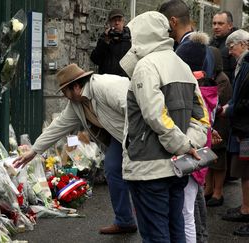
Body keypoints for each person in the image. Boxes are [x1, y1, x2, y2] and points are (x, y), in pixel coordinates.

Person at [13, 63, 137, 234]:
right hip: (121, 137)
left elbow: (134, 111)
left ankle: (147, 221)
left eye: (65, 92)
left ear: (77, 87)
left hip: (139, 133)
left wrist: (132, 144)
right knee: (113, 168)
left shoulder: (105, 86)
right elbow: (58, 126)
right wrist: (34, 151)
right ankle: (125, 221)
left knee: (139, 176)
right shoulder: (77, 104)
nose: (65, 97)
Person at [119, 11, 209, 242]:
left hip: (149, 166)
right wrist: (189, 144)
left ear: (141, 34)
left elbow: (154, 114)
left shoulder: (146, 66)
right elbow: (201, 116)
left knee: (156, 234)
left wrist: (179, 145)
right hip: (178, 165)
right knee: (175, 227)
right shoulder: (182, 65)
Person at [159, 2, 213, 242]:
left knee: (186, 209)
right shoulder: (196, 46)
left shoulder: (187, 49)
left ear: (171, 22)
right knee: (193, 199)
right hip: (198, 125)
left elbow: (185, 95)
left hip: (190, 129)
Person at [219, 29, 249, 237]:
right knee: (245, 169)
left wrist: (231, 109)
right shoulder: (243, 64)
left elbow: (245, 100)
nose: (230, 52)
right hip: (243, 127)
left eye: (232, 47)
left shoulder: (247, 65)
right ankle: (246, 208)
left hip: (246, 126)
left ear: (244, 44)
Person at [204, 46, 233, 207]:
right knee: (208, 159)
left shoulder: (222, 79)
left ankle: (218, 192)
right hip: (211, 124)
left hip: (220, 125)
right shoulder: (210, 77)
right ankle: (208, 189)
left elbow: (216, 101)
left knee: (219, 160)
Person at [90, 9, 131, 76]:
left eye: (119, 20)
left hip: (123, 81)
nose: (117, 23)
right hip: (107, 81)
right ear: (109, 23)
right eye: (114, 20)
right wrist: (105, 42)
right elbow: (95, 59)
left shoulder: (129, 39)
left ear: (123, 22)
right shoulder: (104, 38)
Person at [211, 11, 237, 82]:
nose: (216, 27)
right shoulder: (210, 43)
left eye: (220, 24)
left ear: (230, 25)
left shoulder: (236, 44)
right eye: (214, 23)